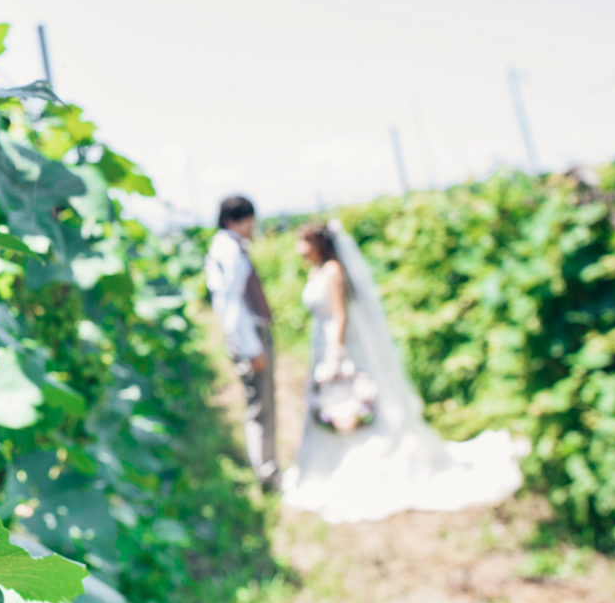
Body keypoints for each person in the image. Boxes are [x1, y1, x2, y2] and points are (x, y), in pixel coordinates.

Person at [283, 219, 523, 522]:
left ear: (318, 243)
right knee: (333, 404)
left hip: (339, 346)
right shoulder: (318, 270)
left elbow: (340, 316)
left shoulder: (333, 272)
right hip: (321, 344)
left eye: (303, 241)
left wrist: (336, 354)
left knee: (352, 400)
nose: (298, 248)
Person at [204, 195, 279, 489]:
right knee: (261, 407)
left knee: (258, 405)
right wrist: (252, 348)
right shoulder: (229, 251)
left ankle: (264, 468)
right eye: (249, 220)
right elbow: (232, 304)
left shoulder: (224, 248)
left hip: (246, 335)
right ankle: (267, 473)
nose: (253, 227)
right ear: (235, 221)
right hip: (250, 336)